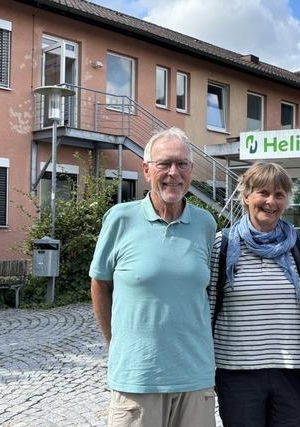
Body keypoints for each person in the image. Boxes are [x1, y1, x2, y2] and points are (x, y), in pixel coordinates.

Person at [89, 127, 217, 427]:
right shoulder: (120, 219)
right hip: (138, 376)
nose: (174, 172)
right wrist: (116, 343)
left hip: (195, 375)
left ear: (191, 170)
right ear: (146, 170)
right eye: (164, 164)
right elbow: (100, 284)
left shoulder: (205, 224)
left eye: (182, 164)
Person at [208, 162, 300, 427]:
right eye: (263, 193)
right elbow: (209, 307)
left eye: (279, 194)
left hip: (291, 372)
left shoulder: (299, 246)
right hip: (237, 373)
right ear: (246, 196)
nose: (271, 201)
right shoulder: (222, 245)